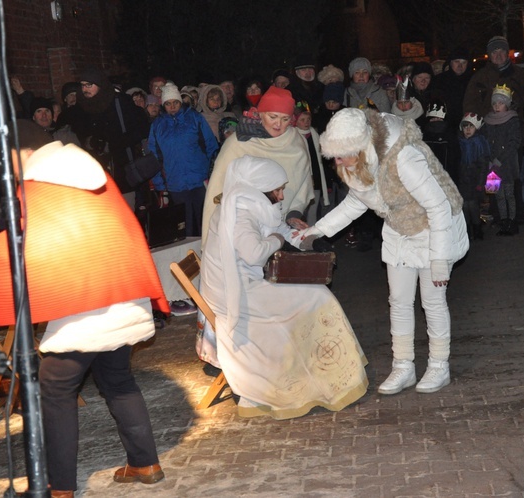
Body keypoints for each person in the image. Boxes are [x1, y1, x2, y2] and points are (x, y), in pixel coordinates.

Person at [0, 121, 168, 496]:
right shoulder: (93, 175)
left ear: (23, 152)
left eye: (8, 159)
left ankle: (58, 487)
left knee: (54, 390)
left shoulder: (42, 187)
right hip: (125, 299)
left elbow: (13, 254)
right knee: (118, 381)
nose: (7, 169)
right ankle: (146, 463)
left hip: (86, 308)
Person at [301, 108, 470, 395]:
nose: (337, 162)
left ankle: (439, 365)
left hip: (434, 230)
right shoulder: (354, 163)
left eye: (341, 155)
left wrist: (439, 259)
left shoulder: (403, 156)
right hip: (398, 230)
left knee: (432, 301)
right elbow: (357, 201)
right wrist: (317, 230)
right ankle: (403, 366)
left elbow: (439, 206)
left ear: (360, 147)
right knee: (399, 301)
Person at [200, 154, 368, 419]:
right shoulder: (240, 214)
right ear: (259, 189)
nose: (280, 196)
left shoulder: (248, 204)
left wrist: (309, 238)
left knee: (316, 294)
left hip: (247, 285)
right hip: (239, 294)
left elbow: (279, 227)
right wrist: (279, 239)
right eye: (277, 190)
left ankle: (317, 370)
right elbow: (255, 253)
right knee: (317, 297)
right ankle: (320, 373)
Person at [202, 85, 313, 245]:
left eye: (285, 119)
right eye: (273, 117)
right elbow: (218, 187)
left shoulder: (297, 142)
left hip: (282, 227)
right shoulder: (240, 142)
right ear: (260, 114)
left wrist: (293, 214)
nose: (278, 124)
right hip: (245, 228)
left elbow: (303, 183)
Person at [149, 82, 219, 237]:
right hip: (175, 183)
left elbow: (210, 144)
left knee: (206, 222)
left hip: (199, 180)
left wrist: (206, 170)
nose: (172, 106)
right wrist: (161, 184)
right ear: (164, 105)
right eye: (168, 104)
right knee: (184, 226)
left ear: (180, 102)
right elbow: (154, 156)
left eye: (175, 102)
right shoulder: (157, 125)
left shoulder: (194, 118)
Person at [77, 67, 150, 206]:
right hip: (96, 175)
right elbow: (79, 133)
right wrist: (90, 142)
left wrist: (113, 144)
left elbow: (141, 128)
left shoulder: (120, 102)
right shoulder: (81, 106)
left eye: (89, 85)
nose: (85, 89)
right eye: (83, 85)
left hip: (123, 171)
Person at [482, 84, 523, 235]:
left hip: (507, 165)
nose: (497, 106)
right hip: (492, 166)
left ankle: (512, 221)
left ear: (506, 104)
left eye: (500, 103)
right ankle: (503, 221)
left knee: (509, 194)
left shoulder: (512, 120)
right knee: (498, 195)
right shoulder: (488, 121)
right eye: (494, 103)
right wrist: (490, 159)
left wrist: (500, 158)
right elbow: (485, 141)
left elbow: (514, 142)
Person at [294, 101, 330, 225]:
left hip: (317, 178)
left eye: (308, 119)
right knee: (302, 210)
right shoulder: (294, 136)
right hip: (303, 180)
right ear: (295, 121)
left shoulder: (314, 134)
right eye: (302, 120)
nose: (306, 122)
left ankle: (311, 234)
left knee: (313, 209)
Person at [457, 112, 491, 240]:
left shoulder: (479, 144)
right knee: (464, 205)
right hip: (463, 180)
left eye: (470, 127)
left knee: (473, 205)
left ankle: (477, 230)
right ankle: (466, 230)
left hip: (474, 181)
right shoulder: (460, 143)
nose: (467, 130)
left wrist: (480, 183)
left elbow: (483, 167)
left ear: (476, 128)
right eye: (465, 127)